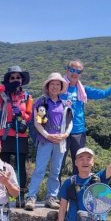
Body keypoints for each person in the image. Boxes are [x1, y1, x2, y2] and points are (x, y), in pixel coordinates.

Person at [60, 60, 111, 176]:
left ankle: (77, 191)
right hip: (61, 132)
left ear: (81, 74)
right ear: (67, 71)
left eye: (78, 71)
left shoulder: (83, 89)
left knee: (79, 166)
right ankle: (55, 193)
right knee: (58, 165)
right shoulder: (58, 87)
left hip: (78, 132)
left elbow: (103, 94)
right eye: (72, 70)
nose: (75, 73)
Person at [0, 65, 33, 207]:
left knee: (20, 167)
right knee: (3, 166)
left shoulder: (27, 96)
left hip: (20, 134)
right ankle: (3, 194)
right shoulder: (2, 96)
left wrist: (23, 118)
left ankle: (21, 195)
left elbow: (29, 113)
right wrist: (4, 87)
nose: (15, 80)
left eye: (18, 77)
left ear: (22, 79)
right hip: (5, 135)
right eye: (12, 77)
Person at [24, 72, 73, 211]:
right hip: (45, 140)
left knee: (56, 171)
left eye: (58, 84)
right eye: (53, 84)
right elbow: (37, 122)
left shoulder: (65, 104)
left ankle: (51, 197)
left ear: (61, 86)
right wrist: (47, 135)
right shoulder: (42, 102)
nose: (55, 86)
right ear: (48, 86)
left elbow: (70, 122)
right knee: (39, 169)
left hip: (60, 140)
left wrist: (65, 135)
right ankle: (31, 197)